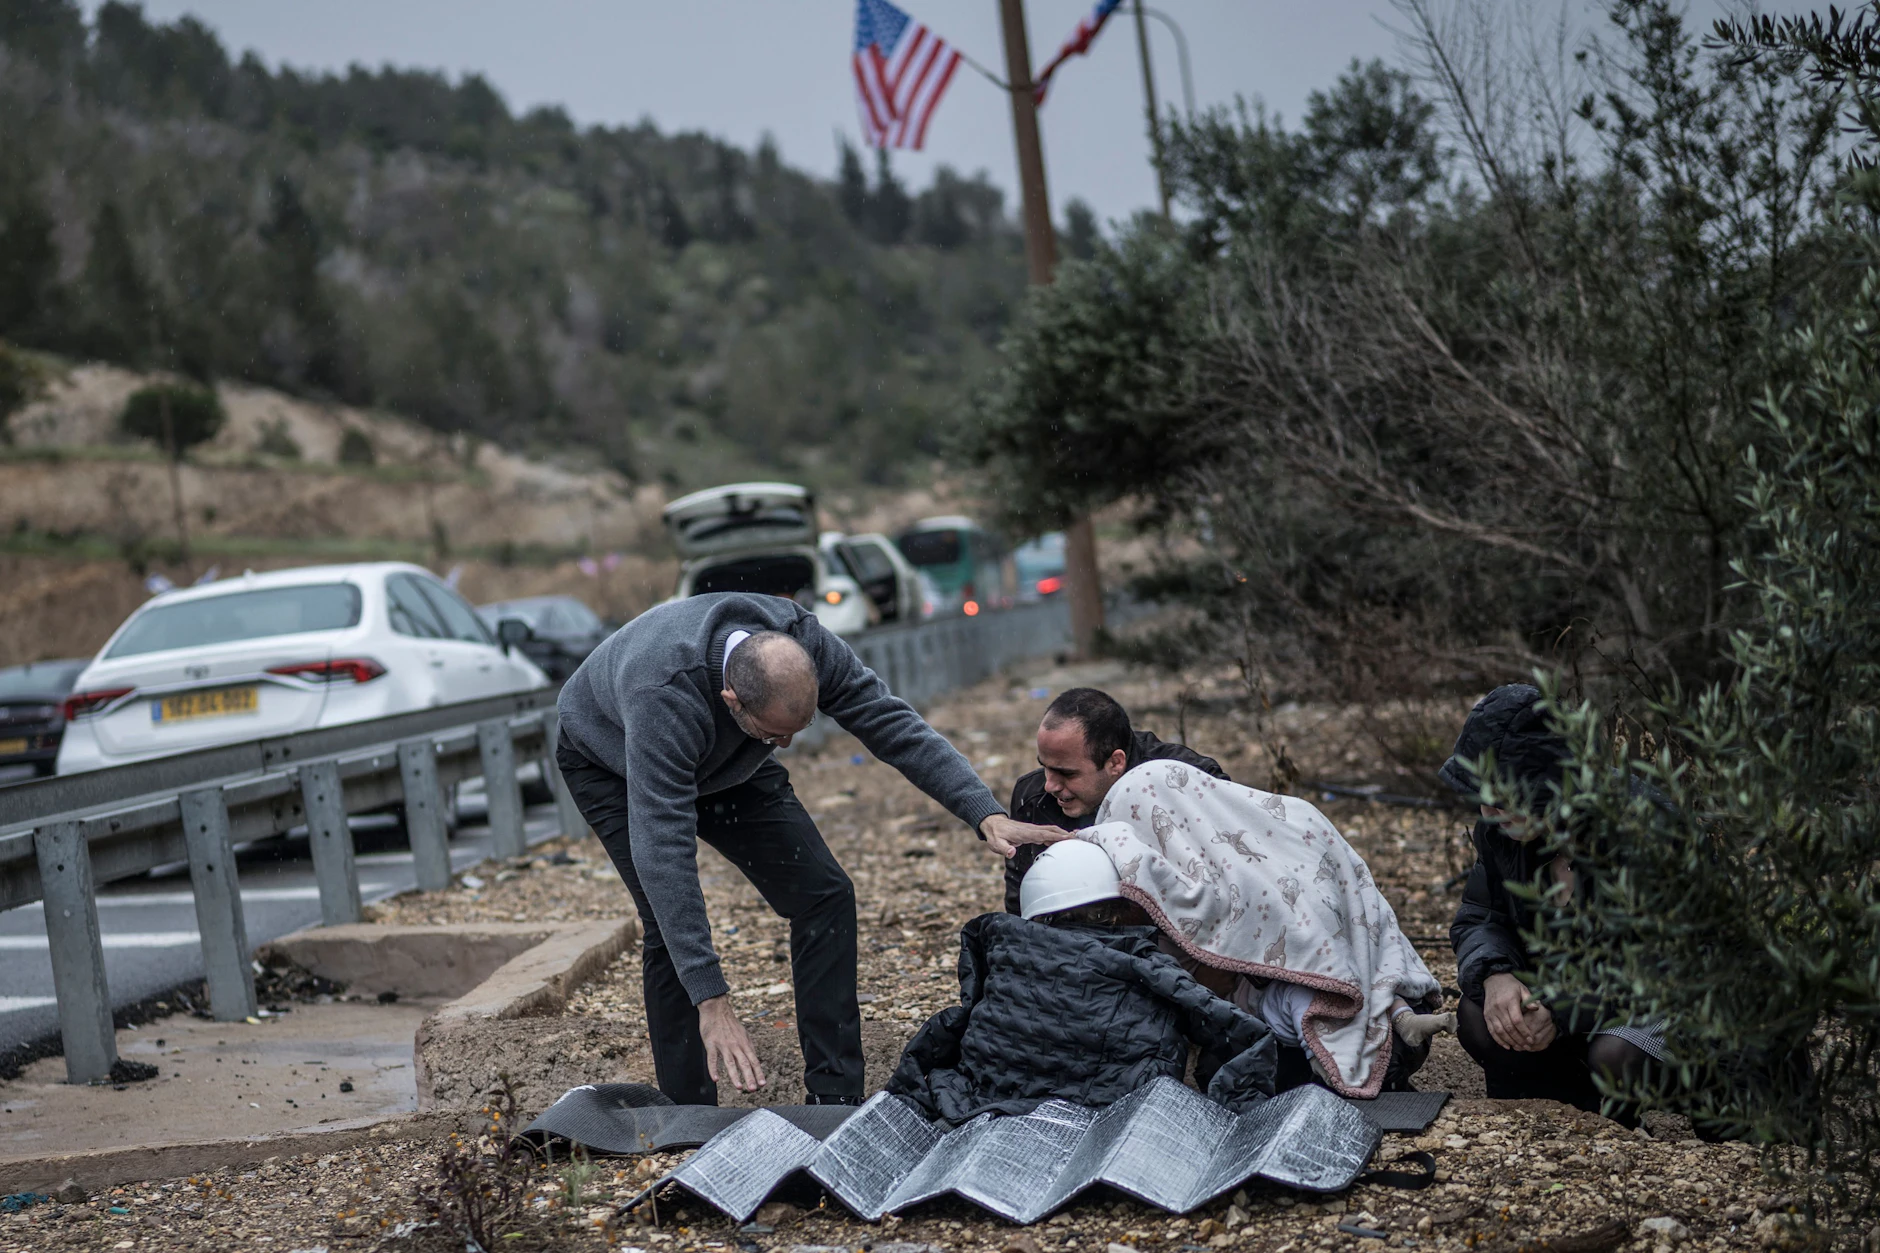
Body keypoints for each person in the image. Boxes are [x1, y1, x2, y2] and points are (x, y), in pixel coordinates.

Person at [555, 592, 1068, 1107]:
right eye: (779, 734)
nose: (788, 746)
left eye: (798, 731)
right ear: (733, 697)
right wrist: (711, 999)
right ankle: (688, 1117)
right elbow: (663, 852)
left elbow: (890, 723)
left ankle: (834, 1097)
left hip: (731, 756)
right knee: (667, 926)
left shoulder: (805, 642)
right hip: (611, 760)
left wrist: (984, 811)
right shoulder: (662, 694)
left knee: (824, 894)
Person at [1077, 762, 1448, 1098]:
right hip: (1291, 1002)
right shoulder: (1191, 871)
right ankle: (1371, 1036)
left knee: (1303, 1000)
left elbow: (1337, 919)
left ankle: (1365, 1043)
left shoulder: (1250, 854)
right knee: (1267, 1028)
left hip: (1345, 1000)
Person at [887, 840, 1276, 1124]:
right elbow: (1229, 1025)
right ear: (1115, 901)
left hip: (991, 1096)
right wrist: (1235, 1103)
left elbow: (963, 1017)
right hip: (1111, 1105)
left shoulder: (998, 948)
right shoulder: (1142, 960)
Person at [1441, 683, 1658, 1112]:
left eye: (1503, 799)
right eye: (1482, 797)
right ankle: (1561, 1112)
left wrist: (1560, 1013)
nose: (1488, 814)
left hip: (1672, 999)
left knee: (1616, 1056)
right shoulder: (1502, 832)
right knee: (1479, 1014)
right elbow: (1481, 917)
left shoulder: (1642, 831)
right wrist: (1496, 974)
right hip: (1578, 991)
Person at [1003, 687, 1229, 914]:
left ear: (1115, 763)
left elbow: (1236, 882)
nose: (1049, 785)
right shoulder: (1033, 798)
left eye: (1067, 773)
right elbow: (1022, 908)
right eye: (1045, 767)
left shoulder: (1187, 783)